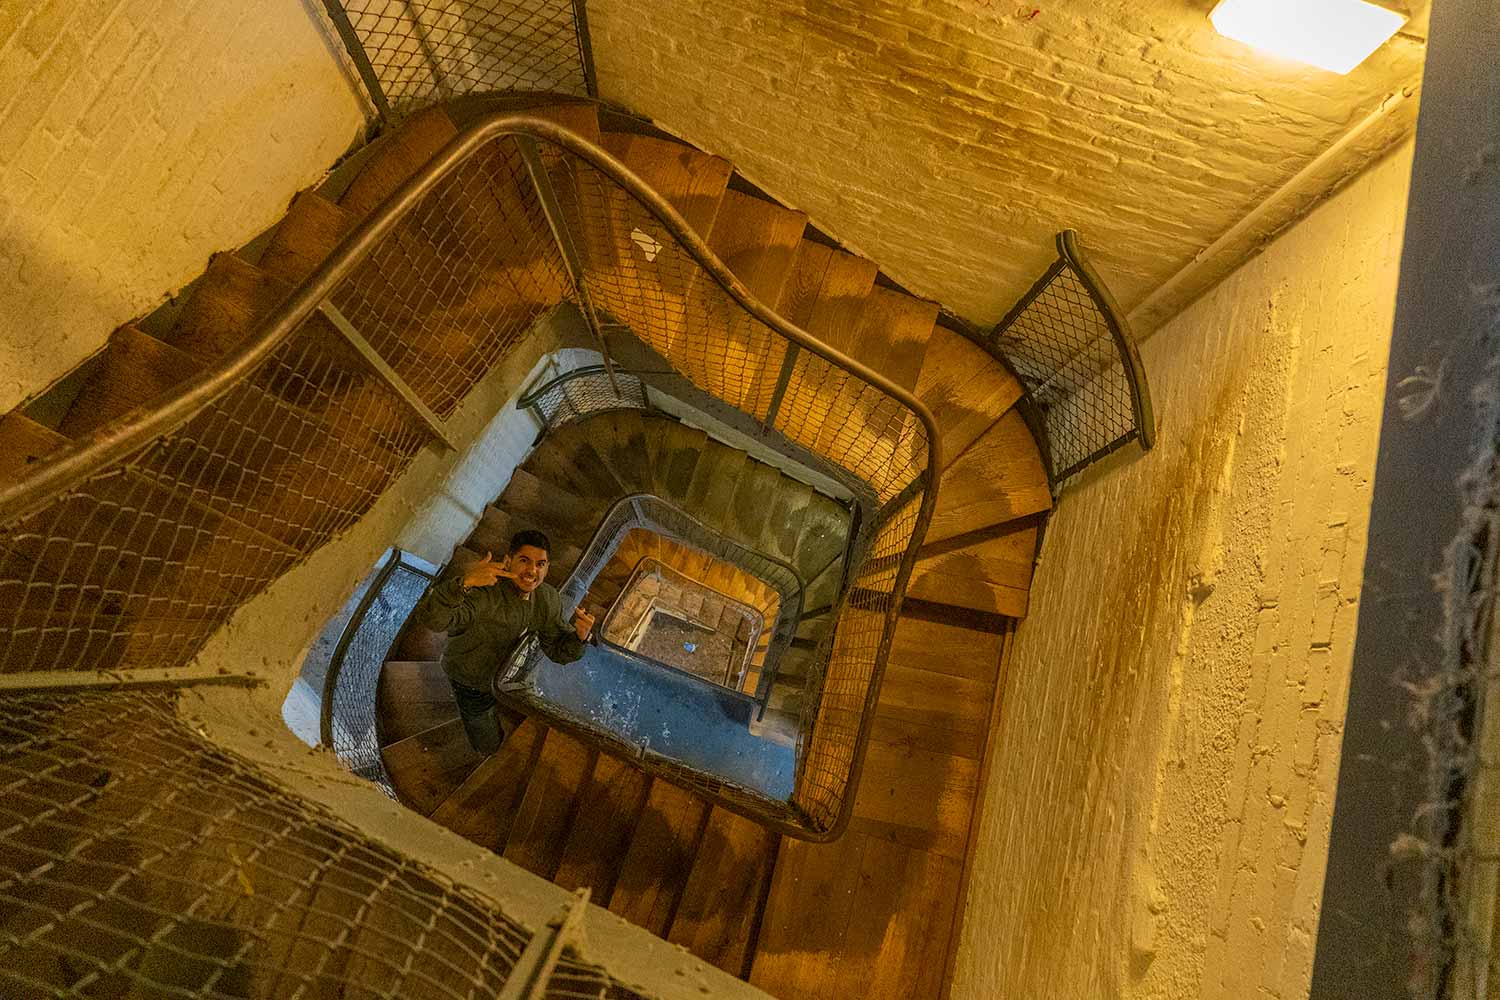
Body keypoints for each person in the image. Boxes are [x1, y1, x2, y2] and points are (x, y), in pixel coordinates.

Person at [415, 529, 596, 754]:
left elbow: (557, 650)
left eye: (541, 564)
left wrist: (580, 637)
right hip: (469, 678)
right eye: (524, 561)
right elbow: (434, 620)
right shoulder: (484, 592)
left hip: (505, 673)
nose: (532, 571)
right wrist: (465, 583)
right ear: (508, 561)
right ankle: (488, 752)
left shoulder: (547, 599)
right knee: (484, 734)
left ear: (548, 567)